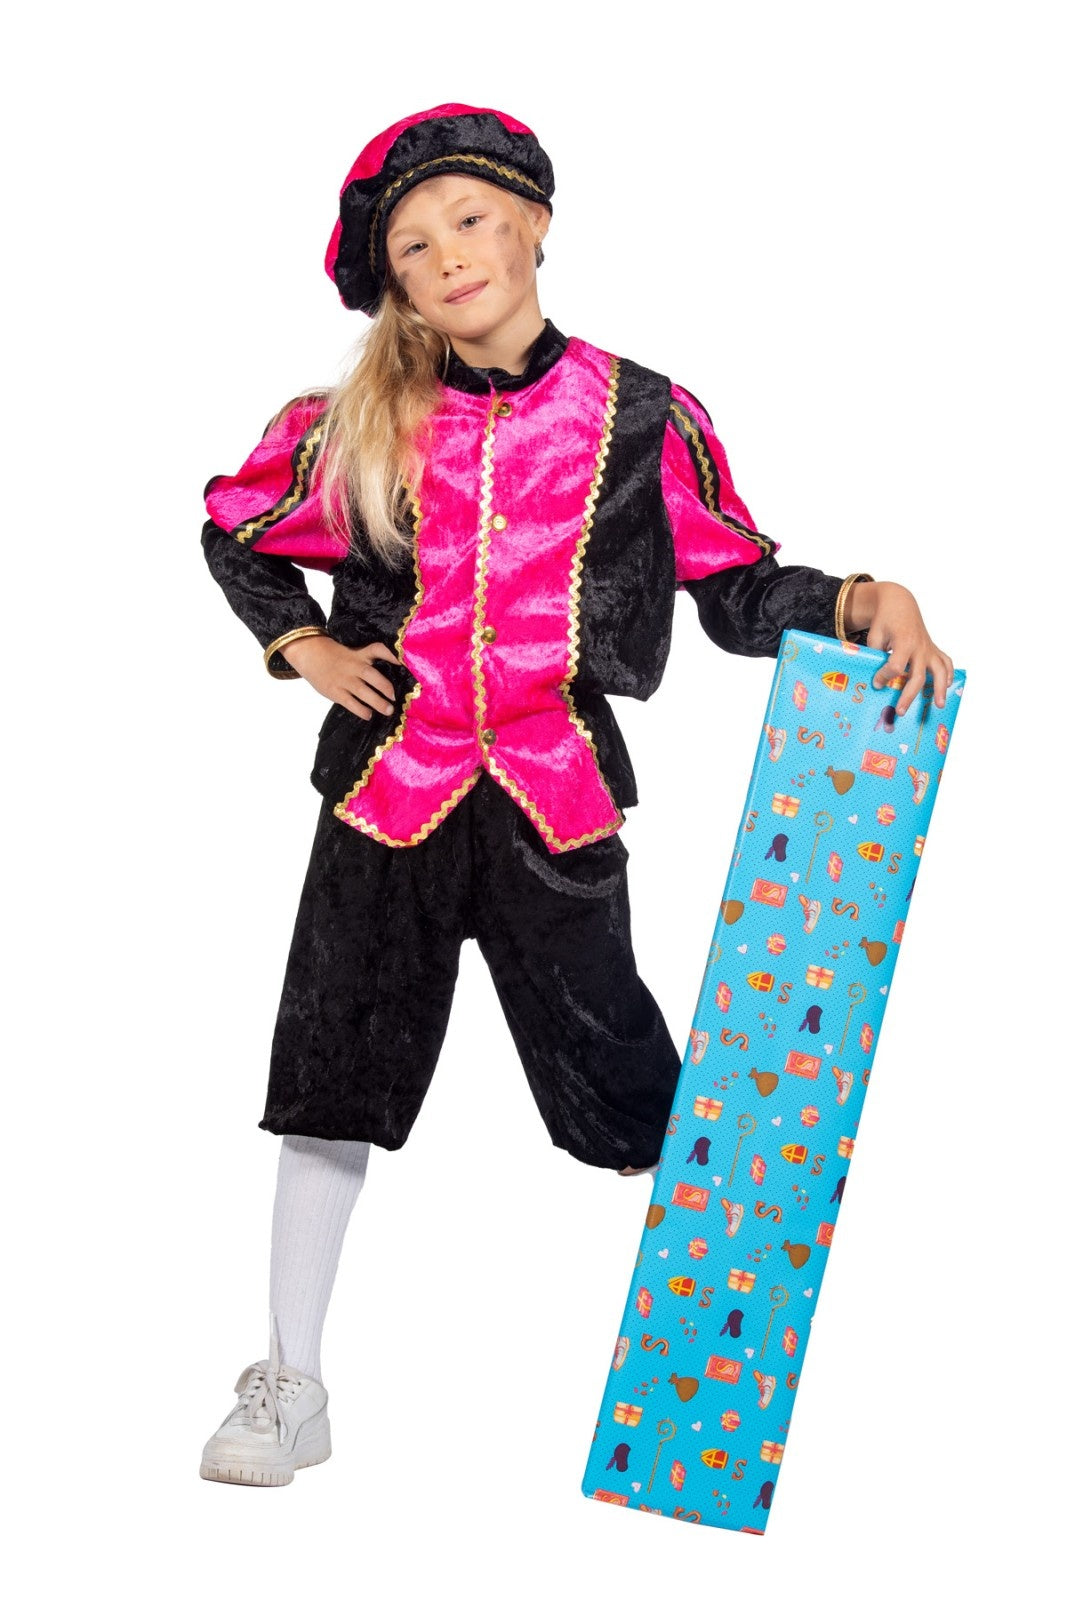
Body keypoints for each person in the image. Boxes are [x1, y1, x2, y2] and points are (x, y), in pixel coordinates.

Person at [197, 103, 953, 1486]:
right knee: (330, 1079)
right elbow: (235, 529)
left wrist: (863, 596)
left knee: (629, 1085)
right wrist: (302, 644)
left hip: (554, 797)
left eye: (472, 220)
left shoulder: (640, 414)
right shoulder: (349, 427)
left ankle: (713, 1366)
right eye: (414, 245)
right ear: (392, 280)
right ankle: (291, 1382)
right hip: (388, 799)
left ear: (535, 223)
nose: (449, 255)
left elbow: (734, 587)